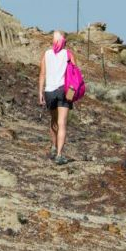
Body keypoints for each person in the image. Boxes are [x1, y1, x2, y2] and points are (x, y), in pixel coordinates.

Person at [39, 30, 75, 165]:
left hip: (49, 92)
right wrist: (71, 96)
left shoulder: (46, 54)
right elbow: (74, 75)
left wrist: (40, 93)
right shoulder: (68, 54)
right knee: (62, 123)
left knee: (53, 120)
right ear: (64, 41)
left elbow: (42, 74)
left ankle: (54, 147)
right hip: (63, 91)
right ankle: (59, 155)